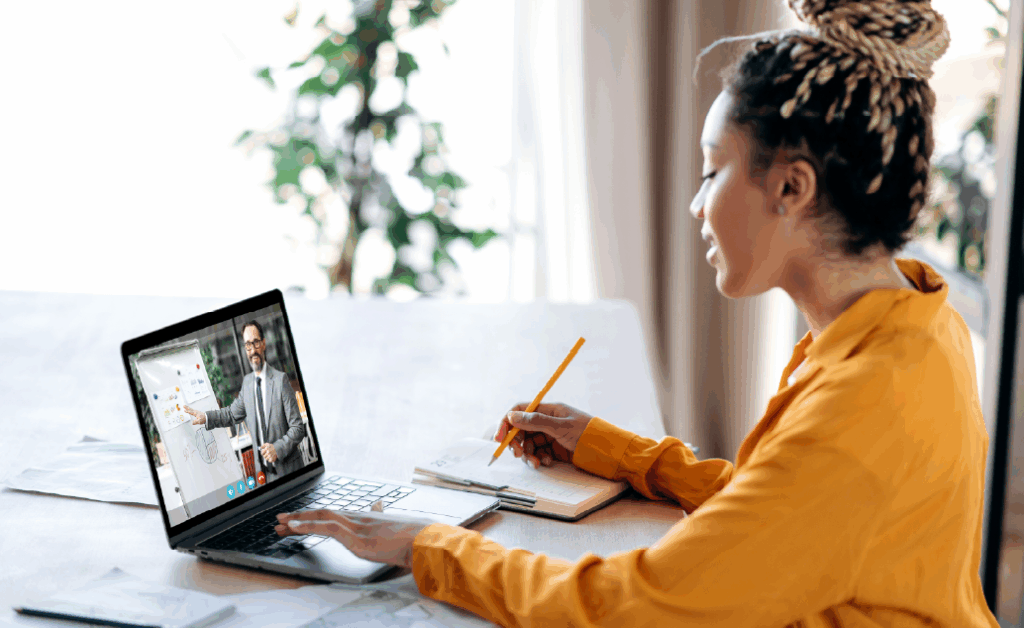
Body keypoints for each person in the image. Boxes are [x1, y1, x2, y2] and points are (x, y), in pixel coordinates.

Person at [275, 0, 1000, 625]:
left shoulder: (863, 405)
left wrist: (428, 544)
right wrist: (618, 451)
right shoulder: (909, 316)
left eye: (714, 170)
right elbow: (788, 511)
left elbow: (632, 608)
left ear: (791, 187)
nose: (696, 202)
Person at [185, 321, 305, 484]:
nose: (253, 350)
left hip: (289, 473)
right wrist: (206, 417)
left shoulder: (280, 380)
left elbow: (298, 427)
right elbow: (231, 414)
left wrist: (278, 448)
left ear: (263, 344)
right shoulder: (247, 384)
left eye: (256, 342)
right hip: (264, 477)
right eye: (248, 345)